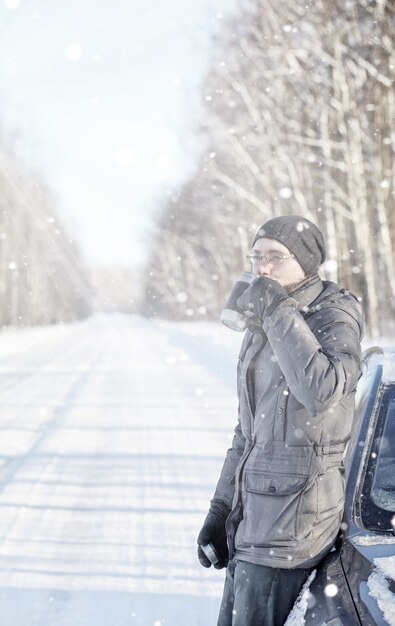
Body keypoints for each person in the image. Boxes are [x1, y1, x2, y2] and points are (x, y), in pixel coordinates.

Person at [197, 215, 364, 626]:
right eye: (256, 256)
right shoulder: (264, 319)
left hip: (293, 529)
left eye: (275, 257)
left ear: (306, 262)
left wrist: (276, 308)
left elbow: (322, 390)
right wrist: (221, 511)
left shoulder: (333, 315)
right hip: (251, 526)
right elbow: (247, 435)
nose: (262, 268)